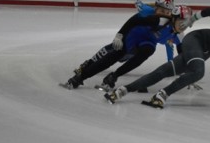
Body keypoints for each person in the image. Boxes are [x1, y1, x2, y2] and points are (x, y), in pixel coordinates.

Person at [105, 9, 210, 109]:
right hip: (194, 40)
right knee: (199, 72)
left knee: (163, 72)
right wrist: (192, 20)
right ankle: (163, 94)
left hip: (202, 53)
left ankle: (123, 90)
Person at [61, 5, 190, 90]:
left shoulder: (179, 35)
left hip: (148, 41)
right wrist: (120, 34)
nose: (183, 26)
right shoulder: (159, 20)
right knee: (114, 56)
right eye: (181, 22)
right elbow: (134, 20)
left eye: (186, 24)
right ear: (174, 18)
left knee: (148, 51)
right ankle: (80, 78)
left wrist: (187, 73)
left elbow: (182, 54)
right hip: (135, 34)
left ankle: (113, 77)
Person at [72, 0, 176, 78]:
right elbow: (137, 5)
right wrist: (120, 35)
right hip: (134, 33)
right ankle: (88, 64)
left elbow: (170, 45)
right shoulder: (147, 11)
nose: (165, 14)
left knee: (124, 56)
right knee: (114, 48)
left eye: (168, 12)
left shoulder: (171, 26)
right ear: (155, 8)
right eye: (162, 11)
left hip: (145, 41)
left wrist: (171, 65)